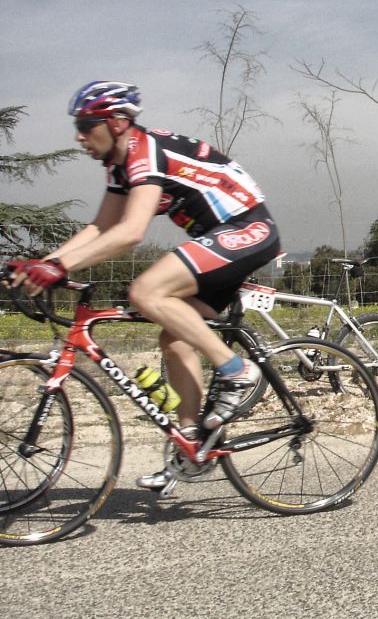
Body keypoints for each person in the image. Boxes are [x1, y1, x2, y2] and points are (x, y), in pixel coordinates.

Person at [4, 81, 282, 488]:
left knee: (146, 291)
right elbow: (102, 226)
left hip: (248, 229)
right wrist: (41, 265)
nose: (79, 136)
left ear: (117, 122)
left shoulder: (144, 152)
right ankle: (192, 444)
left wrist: (60, 266)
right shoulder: (120, 165)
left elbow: (130, 232)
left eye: (86, 125)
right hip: (218, 239)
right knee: (174, 338)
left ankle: (236, 370)